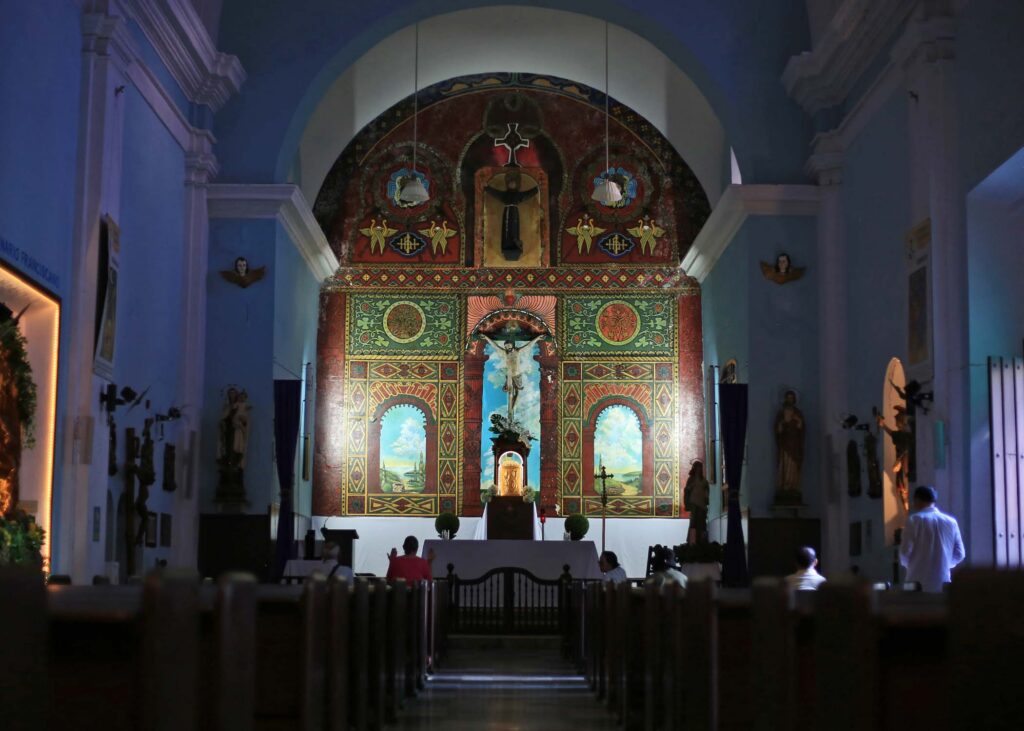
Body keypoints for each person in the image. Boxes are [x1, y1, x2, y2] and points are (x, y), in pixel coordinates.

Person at [899, 486, 965, 592]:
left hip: (917, 583)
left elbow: (905, 552)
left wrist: (913, 565)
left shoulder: (914, 520)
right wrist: (944, 563)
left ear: (917, 500)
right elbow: (960, 554)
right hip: (943, 583)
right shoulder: (951, 522)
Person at [479, 331, 544, 423]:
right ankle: (510, 415)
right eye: (506, 347)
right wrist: (486, 337)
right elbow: (495, 346)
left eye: (508, 346)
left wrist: (537, 338)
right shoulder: (505, 353)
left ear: (512, 345)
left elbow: (529, 345)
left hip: (517, 375)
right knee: (509, 394)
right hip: (509, 376)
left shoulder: (518, 351)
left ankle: (512, 410)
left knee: (517, 393)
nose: (507, 348)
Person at [775, 390, 805, 499]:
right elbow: (777, 430)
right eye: (788, 398)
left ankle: (793, 487)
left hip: (795, 444)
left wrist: (798, 421)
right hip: (784, 444)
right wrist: (782, 424)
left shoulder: (798, 413)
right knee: (785, 464)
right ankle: (784, 487)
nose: (790, 400)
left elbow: (802, 429)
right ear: (785, 399)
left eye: (792, 398)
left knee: (793, 466)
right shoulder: (781, 413)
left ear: (794, 400)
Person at [684, 460, 710, 544]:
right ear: (695, 469)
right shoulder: (691, 479)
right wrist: (690, 487)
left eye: (700, 468)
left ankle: (702, 541)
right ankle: (692, 541)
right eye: (697, 468)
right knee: (694, 523)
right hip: (694, 503)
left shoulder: (704, 481)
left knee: (702, 523)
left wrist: (706, 498)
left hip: (701, 504)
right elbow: (687, 490)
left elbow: (706, 492)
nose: (699, 469)